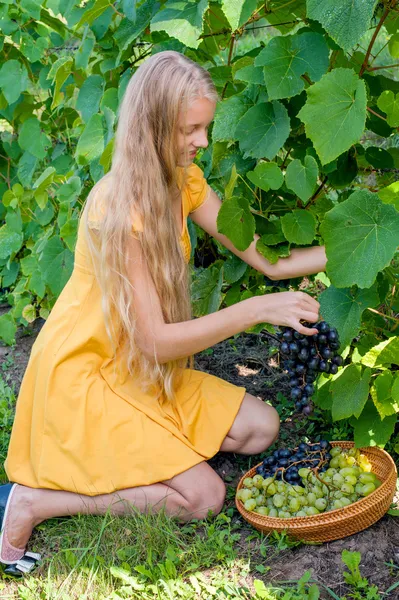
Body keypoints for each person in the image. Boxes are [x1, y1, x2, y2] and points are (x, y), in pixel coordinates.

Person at [0, 50, 325, 577]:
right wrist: (256, 311)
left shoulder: (184, 182)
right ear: (153, 127)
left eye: (204, 127)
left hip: (139, 372)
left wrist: (355, 252)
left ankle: (151, 452)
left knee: (260, 429)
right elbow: (154, 340)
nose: (201, 141)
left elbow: (268, 260)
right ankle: (36, 501)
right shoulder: (116, 211)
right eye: (190, 129)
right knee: (203, 497)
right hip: (88, 378)